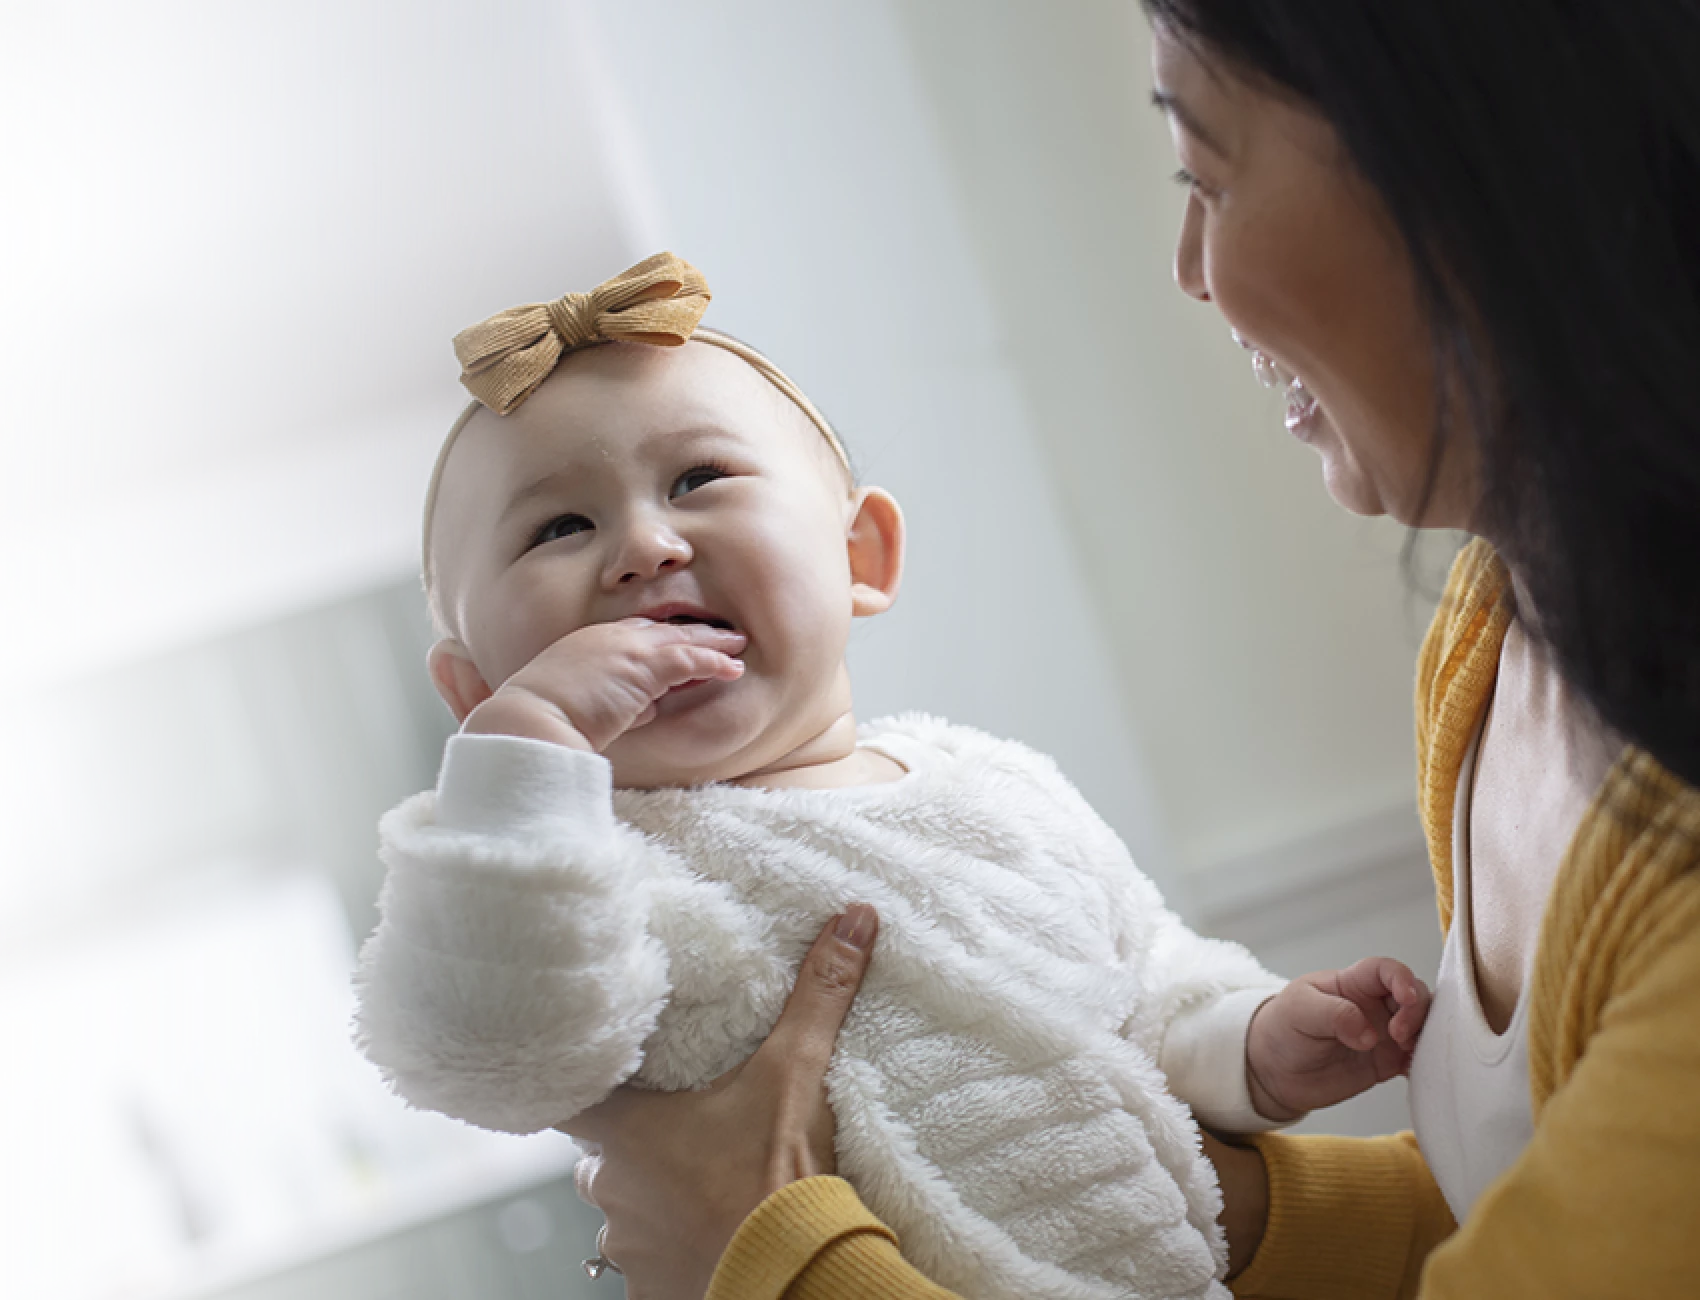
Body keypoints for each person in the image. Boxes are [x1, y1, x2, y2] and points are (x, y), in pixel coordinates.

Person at [560, 5, 1700, 1300]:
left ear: (1476, 159)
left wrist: (767, 1254)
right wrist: (1193, 1195)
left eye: (1203, 171)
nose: (1189, 266)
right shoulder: (1500, 638)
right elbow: (1522, 1200)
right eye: (558, 526)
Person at [350, 252, 1431, 1300]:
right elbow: (482, 1050)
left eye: (698, 478)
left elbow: (1144, 981)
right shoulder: (583, 868)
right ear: (471, 683)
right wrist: (528, 748)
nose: (642, 546)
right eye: (558, 526)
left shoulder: (990, 783)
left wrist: (1254, 1042)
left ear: (860, 557)